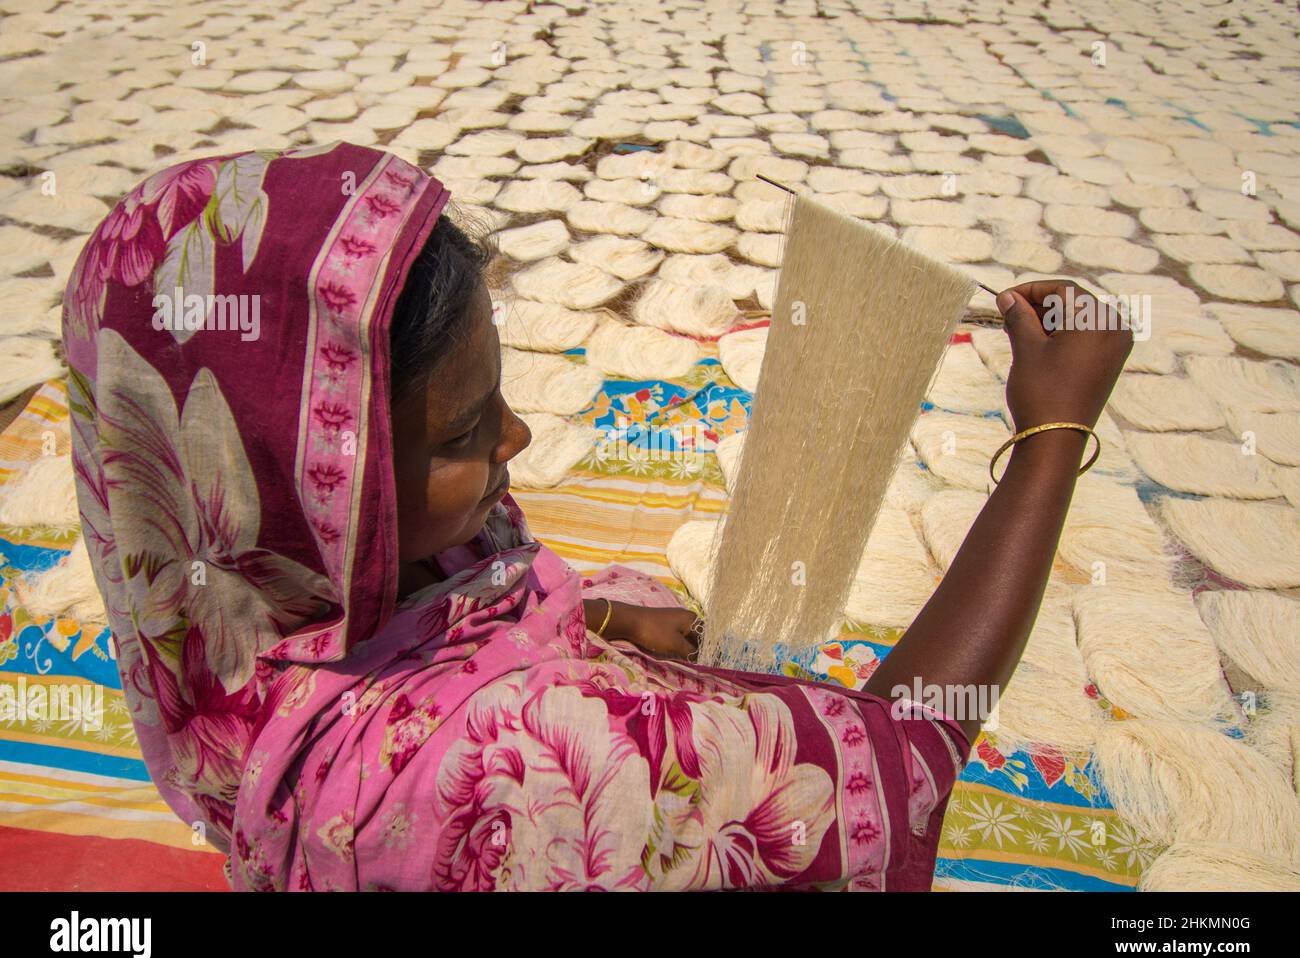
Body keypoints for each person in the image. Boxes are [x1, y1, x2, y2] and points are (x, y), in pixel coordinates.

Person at [63, 142, 1130, 891]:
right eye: (464, 430)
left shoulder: (215, 588)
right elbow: (902, 760)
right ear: (327, 475)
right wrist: (1051, 436)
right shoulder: (520, 762)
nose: (516, 441)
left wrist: (610, 625)